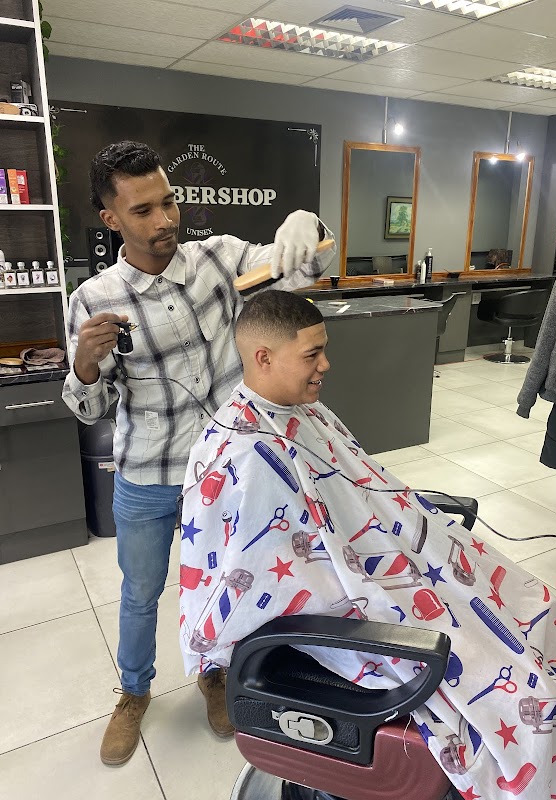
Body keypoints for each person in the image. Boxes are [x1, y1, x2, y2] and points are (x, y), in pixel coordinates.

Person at [179, 290, 556, 800]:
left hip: (392, 570)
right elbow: (257, 586)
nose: (326, 365)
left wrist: (410, 538)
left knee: (541, 607)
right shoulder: (240, 456)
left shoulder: (305, 414)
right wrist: (376, 579)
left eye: (323, 349)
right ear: (263, 358)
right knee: (534, 701)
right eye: (312, 355)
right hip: (346, 611)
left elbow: (360, 496)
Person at [62, 141, 335, 766]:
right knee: (140, 590)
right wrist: (83, 364)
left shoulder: (221, 261)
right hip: (146, 474)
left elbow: (303, 266)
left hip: (225, 472)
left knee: (222, 581)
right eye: (143, 211)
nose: (164, 221)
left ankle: (213, 675)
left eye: (169, 202)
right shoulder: (94, 300)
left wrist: (307, 226)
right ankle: (133, 694)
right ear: (111, 219)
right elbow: (87, 408)